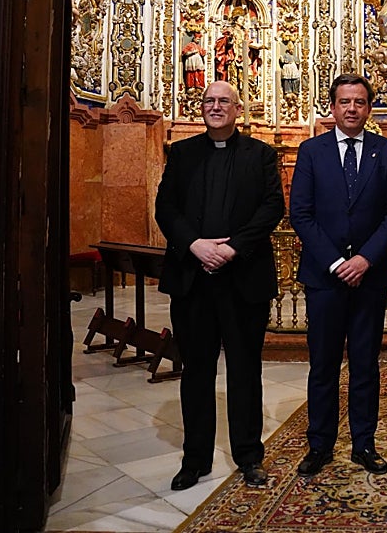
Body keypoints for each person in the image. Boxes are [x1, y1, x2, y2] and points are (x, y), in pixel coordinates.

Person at [154, 81, 285, 490]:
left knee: (245, 370)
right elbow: (165, 207)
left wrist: (232, 250)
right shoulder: (182, 153)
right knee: (196, 371)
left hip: (242, 277)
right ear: (202, 108)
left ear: (237, 109)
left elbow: (272, 208)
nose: (215, 107)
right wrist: (194, 244)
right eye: (209, 101)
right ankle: (195, 459)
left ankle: (248, 456)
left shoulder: (261, 154)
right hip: (193, 280)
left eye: (223, 101)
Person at [290, 75, 387, 477]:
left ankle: (363, 443)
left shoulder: (386, 151)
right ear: (333, 107)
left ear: (369, 108)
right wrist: (337, 263)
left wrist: (366, 259)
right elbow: (301, 214)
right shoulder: (311, 151)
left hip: (369, 277)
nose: (352, 108)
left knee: (365, 364)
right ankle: (320, 444)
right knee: (322, 365)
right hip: (325, 278)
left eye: (359, 102)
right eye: (344, 101)